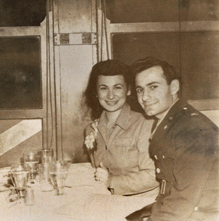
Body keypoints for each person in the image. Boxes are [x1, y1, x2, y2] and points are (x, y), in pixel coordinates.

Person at [130, 57, 218, 220]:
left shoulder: (192, 130)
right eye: (140, 90)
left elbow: (183, 201)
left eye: (153, 87)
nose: (145, 97)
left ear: (174, 87)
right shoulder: (169, 122)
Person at [83, 60, 158, 196]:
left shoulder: (145, 124)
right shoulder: (91, 129)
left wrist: (111, 182)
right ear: (96, 92)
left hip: (140, 204)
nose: (110, 95)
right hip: (106, 199)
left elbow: (153, 176)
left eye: (117, 87)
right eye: (103, 88)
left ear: (128, 90)